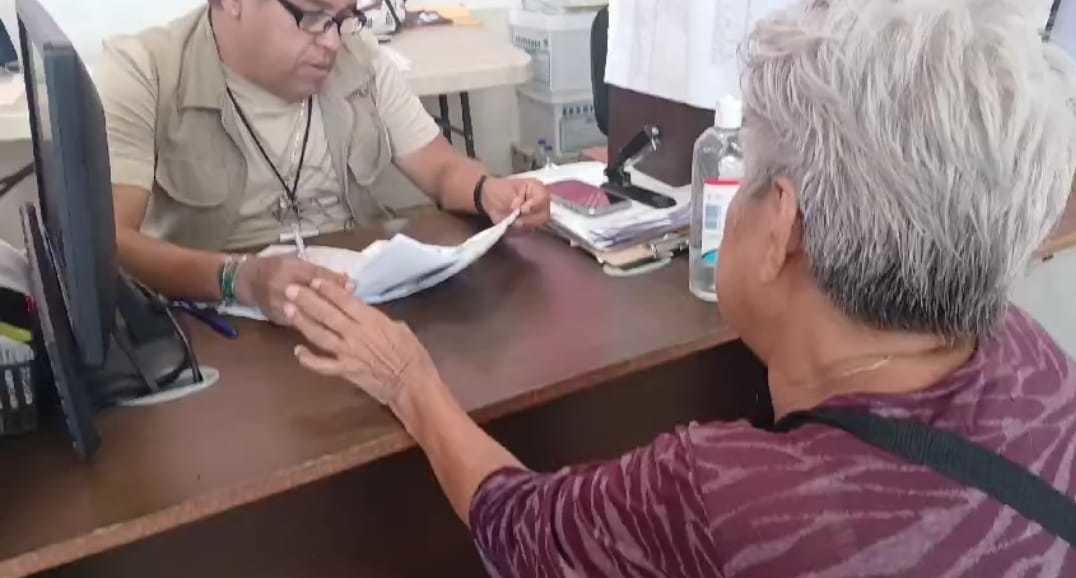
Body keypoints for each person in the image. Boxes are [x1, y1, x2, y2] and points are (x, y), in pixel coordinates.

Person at [283, 0, 1076, 575]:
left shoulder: (730, 497)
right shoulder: (1038, 365)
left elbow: (518, 528)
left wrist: (408, 377)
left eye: (746, 178)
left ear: (784, 231)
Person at [97, 0, 551, 324]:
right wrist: (238, 279)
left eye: (345, 17)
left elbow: (440, 169)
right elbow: (112, 240)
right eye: (312, 16)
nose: (333, 42)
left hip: (357, 309)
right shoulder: (147, 70)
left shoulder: (361, 58)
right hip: (219, 325)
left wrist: (489, 190)